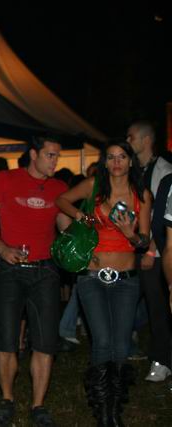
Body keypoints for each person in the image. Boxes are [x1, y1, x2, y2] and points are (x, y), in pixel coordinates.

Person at [56, 140, 152, 426]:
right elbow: (61, 200)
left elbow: (144, 240)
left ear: (130, 161)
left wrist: (130, 234)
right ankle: (104, 413)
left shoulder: (142, 194)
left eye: (122, 157)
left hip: (126, 280)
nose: (116, 162)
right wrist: (80, 216)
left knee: (121, 344)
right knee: (102, 342)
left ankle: (115, 408)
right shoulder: (93, 187)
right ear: (105, 162)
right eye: (111, 157)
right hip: (92, 278)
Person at [0, 135, 69, 427]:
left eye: (57, 156)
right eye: (50, 155)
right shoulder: (6, 180)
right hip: (10, 271)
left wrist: (83, 233)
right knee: (6, 340)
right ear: (34, 154)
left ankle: (38, 405)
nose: (55, 161)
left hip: (46, 272)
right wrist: (2, 248)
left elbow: (65, 228)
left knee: (45, 342)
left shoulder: (59, 188)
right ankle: (7, 399)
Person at [126, 119, 172, 380]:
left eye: (131, 137)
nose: (128, 141)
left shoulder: (164, 171)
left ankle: (161, 360)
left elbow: (162, 218)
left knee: (157, 307)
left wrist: (151, 250)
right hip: (129, 248)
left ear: (146, 140)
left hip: (153, 251)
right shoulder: (133, 168)